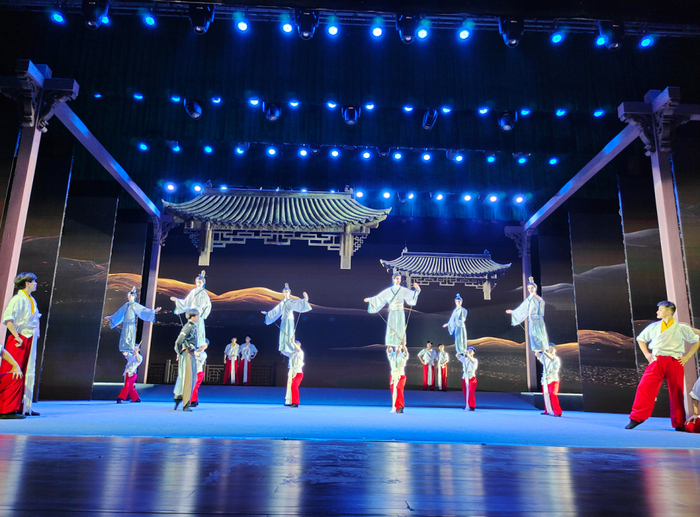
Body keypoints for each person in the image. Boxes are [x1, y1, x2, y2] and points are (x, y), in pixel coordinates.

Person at [626, 301, 700, 431]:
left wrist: (687, 357)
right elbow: (640, 339)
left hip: (674, 360)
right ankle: (636, 418)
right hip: (657, 360)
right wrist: (647, 354)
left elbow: (696, 341)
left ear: (669, 311)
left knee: (677, 392)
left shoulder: (681, 328)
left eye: (660, 309)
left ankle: (678, 422)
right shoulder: (654, 326)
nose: (657, 312)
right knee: (645, 387)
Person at [0, 272, 41, 419]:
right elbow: (8, 319)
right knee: (14, 370)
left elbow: (36, 318)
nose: (36, 284)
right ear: (27, 283)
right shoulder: (17, 299)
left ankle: (24, 406)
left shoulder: (31, 299)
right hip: (19, 337)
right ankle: (7, 408)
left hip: (30, 337)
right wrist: (16, 336)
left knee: (27, 369)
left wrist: (37, 332)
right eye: (34, 281)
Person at [365, 272, 421, 348]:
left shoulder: (403, 290)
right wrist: (370, 299)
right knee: (392, 326)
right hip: (392, 311)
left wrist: (417, 289)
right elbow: (380, 297)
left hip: (400, 311)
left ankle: (401, 343)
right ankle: (390, 343)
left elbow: (412, 294)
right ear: (393, 280)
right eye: (397, 278)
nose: (398, 280)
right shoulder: (389, 290)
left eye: (399, 279)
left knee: (400, 327)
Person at [105, 286, 160, 353]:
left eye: (131, 296)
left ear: (134, 297)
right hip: (125, 323)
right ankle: (124, 348)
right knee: (125, 336)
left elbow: (143, 310)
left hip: (131, 323)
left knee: (130, 336)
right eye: (129, 296)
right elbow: (119, 313)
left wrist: (154, 311)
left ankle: (130, 349)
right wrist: (111, 317)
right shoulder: (126, 305)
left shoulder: (135, 305)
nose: (129, 297)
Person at [263, 283, 312, 357]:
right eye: (284, 291)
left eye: (287, 291)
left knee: (289, 334)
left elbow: (298, 304)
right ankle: (283, 347)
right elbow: (276, 311)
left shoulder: (290, 302)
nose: (285, 293)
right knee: (283, 335)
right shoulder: (282, 303)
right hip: (283, 320)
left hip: (289, 320)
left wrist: (305, 299)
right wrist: (268, 314)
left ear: (289, 293)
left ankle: (290, 347)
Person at [170, 270, 211, 351]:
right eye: (197, 282)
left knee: (198, 329)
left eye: (200, 282)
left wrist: (203, 314)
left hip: (199, 313)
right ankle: (188, 343)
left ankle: (197, 345)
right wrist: (177, 300)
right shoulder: (193, 291)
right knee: (190, 327)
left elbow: (208, 305)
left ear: (203, 283)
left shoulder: (204, 294)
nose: (198, 283)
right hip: (192, 311)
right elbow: (186, 302)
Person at [506, 277, 549, 352]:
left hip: (537, 319)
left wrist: (536, 297)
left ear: (535, 288)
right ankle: (537, 351)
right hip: (531, 319)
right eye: (529, 288)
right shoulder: (529, 298)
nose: (530, 289)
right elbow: (523, 307)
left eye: (532, 288)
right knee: (532, 335)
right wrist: (513, 312)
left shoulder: (536, 297)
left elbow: (542, 302)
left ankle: (543, 349)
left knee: (538, 335)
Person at [173, 309, 199, 411]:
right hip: (187, 354)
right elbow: (178, 341)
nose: (198, 317)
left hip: (190, 354)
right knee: (188, 378)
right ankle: (185, 403)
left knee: (189, 377)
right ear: (192, 317)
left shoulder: (192, 326)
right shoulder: (188, 327)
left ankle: (178, 396)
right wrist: (179, 352)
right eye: (197, 315)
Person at [535, 344, 562, 417]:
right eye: (549, 349)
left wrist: (545, 352)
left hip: (553, 379)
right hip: (545, 379)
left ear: (555, 350)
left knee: (553, 394)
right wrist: (538, 350)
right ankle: (547, 410)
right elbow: (537, 355)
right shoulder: (545, 358)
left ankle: (557, 411)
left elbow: (552, 358)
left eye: (552, 349)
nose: (550, 350)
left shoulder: (556, 359)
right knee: (546, 395)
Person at [387, 344, 409, 413]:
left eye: (399, 346)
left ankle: (400, 406)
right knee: (393, 391)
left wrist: (403, 345)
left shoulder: (402, 355)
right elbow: (389, 350)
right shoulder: (392, 354)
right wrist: (389, 344)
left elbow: (406, 353)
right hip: (393, 375)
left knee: (399, 388)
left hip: (401, 375)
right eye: (397, 346)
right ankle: (394, 407)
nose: (398, 347)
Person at [285, 340, 304, 407]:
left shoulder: (300, 352)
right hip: (291, 373)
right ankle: (289, 402)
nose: (295, 346)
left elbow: (298, 349)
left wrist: (293, 342)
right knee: (289, 387)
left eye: (296, 344)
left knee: (294, 386)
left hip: (298, 373)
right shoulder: (292, 353)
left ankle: (295, 402)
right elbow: (284, 352)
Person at [190, 340, 209, 407]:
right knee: (191, 387)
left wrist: (189, 349)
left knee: (194, 387)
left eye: (205, 345)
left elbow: (197, 354)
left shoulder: (204, 354)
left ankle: (193, 401)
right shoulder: (194, 350)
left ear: (206, 347)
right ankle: (194, 400)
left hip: (198, 373)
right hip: (191, 372)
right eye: (202, 344)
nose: (203, 346)